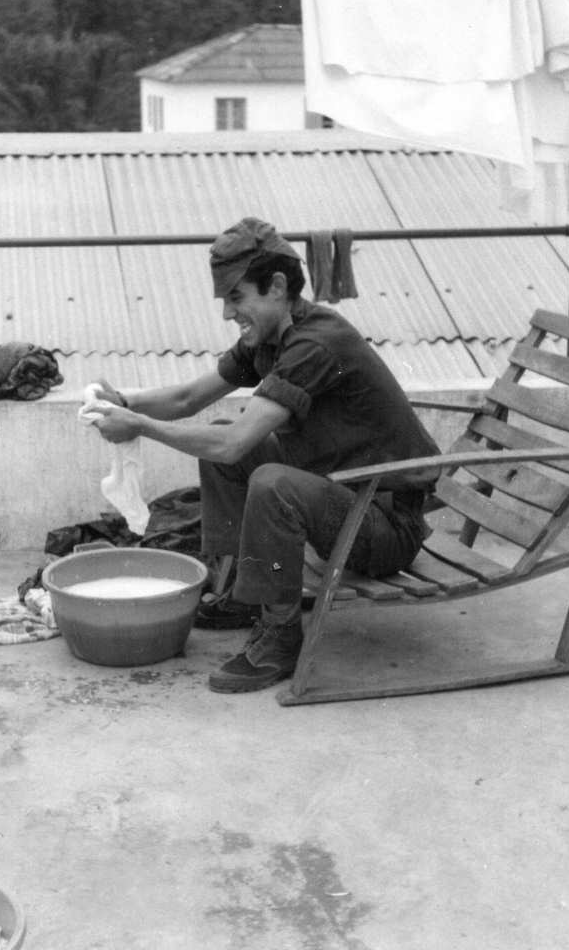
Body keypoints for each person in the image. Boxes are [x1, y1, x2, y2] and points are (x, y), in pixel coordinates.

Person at [90, 217, 441, 693]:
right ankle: (244, 594)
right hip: (346, 502)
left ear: (276, 286)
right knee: (227, 446)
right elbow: (189, 399)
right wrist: (125, 402)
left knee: (271, 480)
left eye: (236, 297)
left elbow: (235, 442)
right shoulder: (272, 339)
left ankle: (280, 635)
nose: (227, 313)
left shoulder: (314, 344)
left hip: (384, 527)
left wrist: (140, 427)